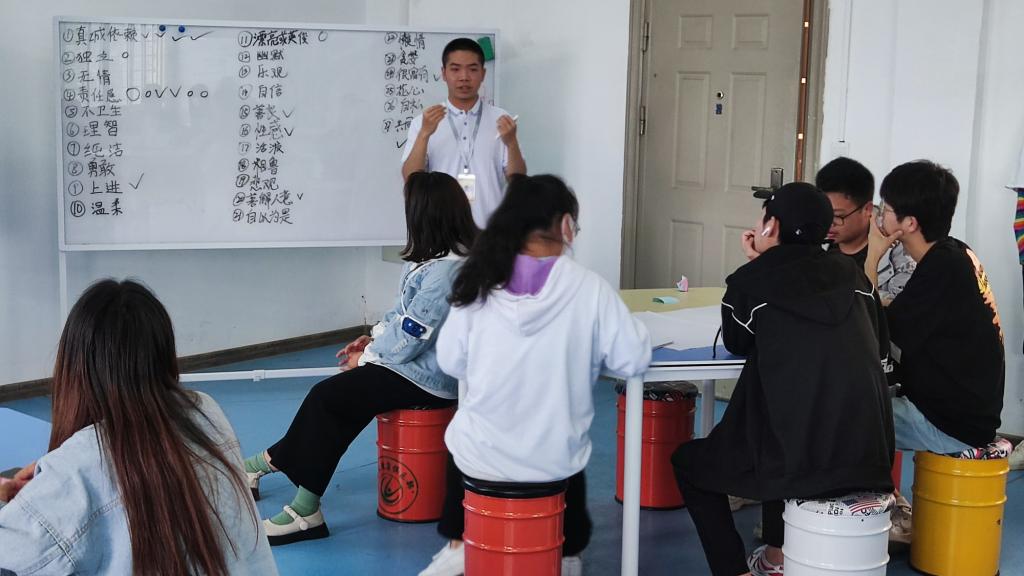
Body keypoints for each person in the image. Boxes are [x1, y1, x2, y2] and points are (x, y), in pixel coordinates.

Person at [418, 174, 651, 576]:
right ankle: (566, 553)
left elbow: (452, 363)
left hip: (480, 460)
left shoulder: (477, 282)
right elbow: (632, 358)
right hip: (554, 463)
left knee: (467, 430)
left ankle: (460, 543)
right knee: (563, 444)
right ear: (566, 226)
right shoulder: (589, 288)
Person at [244, 171, 478, 545]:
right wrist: (373, 338)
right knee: (339, 401)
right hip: (412, 366)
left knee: (329, 397)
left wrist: (366, 357)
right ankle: (278, 479)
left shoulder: (446, 272)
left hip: (431, 379)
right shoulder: (431, 260)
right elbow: (400, 316)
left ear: (425, 215)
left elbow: (411, 340)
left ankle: (295, 501)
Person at [673, 182, 894, 576]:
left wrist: (757, 263)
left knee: (691, 462)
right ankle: (776, 557)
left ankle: (735, 570)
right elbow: (879, 347)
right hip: (869, 455)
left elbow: (738, 342)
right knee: (786, 419)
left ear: (771, 226)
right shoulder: (854, 276)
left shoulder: (750, 282)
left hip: (796, 458)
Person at [0, 280, 277, 575]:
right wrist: (52, 482)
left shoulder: (77, 468)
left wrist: (43, 488)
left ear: (75, 367)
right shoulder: (205, 411)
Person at [865, 161, 1004, 455]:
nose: (878, 215)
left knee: (835, 414)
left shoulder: (943, 268)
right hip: (965, 417)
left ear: (909, 223)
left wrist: (872, 255)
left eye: (885, 208)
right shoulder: (956, 253)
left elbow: (875, 327)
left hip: (946, 425)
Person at [401, 37, 527, 227]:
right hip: (441, 231)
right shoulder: (424, 122)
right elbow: (410, 178)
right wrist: (424, 134)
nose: (464, 77)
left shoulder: (501, 119)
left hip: (489, 231)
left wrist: (511, 143)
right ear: (443, 73)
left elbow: (518, 179)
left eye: (473, 69)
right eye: (455, 69)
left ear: (483, 74)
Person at [817, 156, 916, 302]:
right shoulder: (815, 248)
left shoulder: (900, 254)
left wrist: (872, 260)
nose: (829, 223)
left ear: (867, 209)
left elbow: (896, 311)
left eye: (838, 216)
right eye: (824, 213)